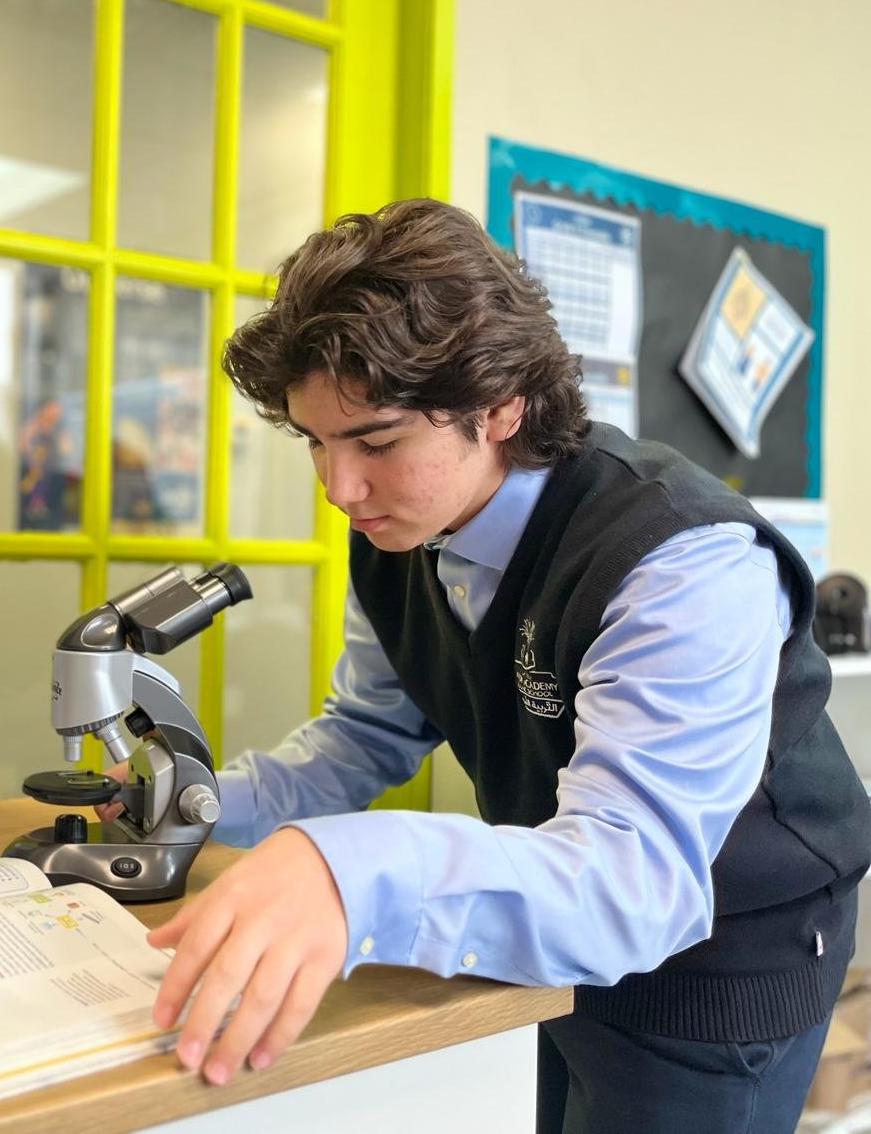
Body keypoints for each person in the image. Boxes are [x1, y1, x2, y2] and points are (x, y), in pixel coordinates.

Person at [105, 199, 871, 1131]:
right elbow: (367, 733)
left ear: (502, 405)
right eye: (316, 442)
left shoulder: (680, 559)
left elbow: (635, 883)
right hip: (554, 914)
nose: (340, 488)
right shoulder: (398, 526)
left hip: (721, 954)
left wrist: (352, 871)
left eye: (378, 441)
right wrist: (200, 804)